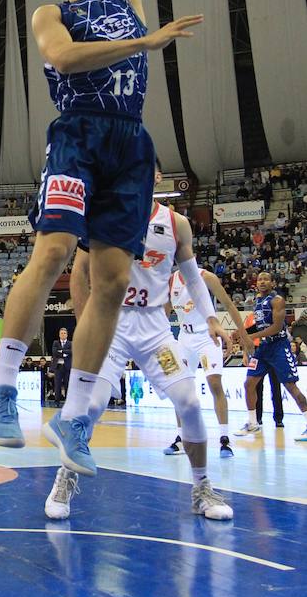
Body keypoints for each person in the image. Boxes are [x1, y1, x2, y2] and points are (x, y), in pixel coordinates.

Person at [0, 0, 204, 463]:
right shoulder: (51, 14)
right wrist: (145, 43)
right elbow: (63, 60)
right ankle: (0, 390)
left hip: (131, 141)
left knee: (111, 278)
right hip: (77, 131)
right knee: (52, 252)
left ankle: (76, 415)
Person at [43, 164, 232, 521]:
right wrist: (87, 326)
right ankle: (65, 478)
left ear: (157, 177)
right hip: (109, 324)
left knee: (189, 402)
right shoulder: (102, 215)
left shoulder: (176, 223)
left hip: (155, 330)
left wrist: (211, 320)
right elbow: (79, 276)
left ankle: (202, 488)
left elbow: (193, 279)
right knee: (92, 406)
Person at [165, 267, 251, 458]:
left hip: (207, 336)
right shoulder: (170, 281)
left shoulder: (207, 277)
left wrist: (244, 336)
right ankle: (180, 438)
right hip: (185, 338)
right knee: (180, 389)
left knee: (214, 383)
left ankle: (224, 439)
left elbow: (228, 305)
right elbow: (164, 314)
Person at [234, 271, 307, 440]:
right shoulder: (257, 301)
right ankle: (252, 423)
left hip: (279, 346)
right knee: (249, 384)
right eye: (259, 279)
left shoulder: (277, 300)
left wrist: (249, 337)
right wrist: (241, 332)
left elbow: (276, 327)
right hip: (265, 347)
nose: (262, 281)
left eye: (266, 279)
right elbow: (259, 327)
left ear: (273, 283)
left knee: (291, 387)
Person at [50, 326, 72, 406]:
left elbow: (71, 352)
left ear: (67, 335)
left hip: (67, 366)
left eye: (64, 333)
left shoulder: (70, 343)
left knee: (67, 384)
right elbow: (55, 353)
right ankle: (57, 401)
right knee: (57, 384)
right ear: (59, 335)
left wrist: (61, 351)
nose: (63, 335)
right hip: (58, 367)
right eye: (61, 333)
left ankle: (67, 402)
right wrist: (65, 353)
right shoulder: (55, 342)